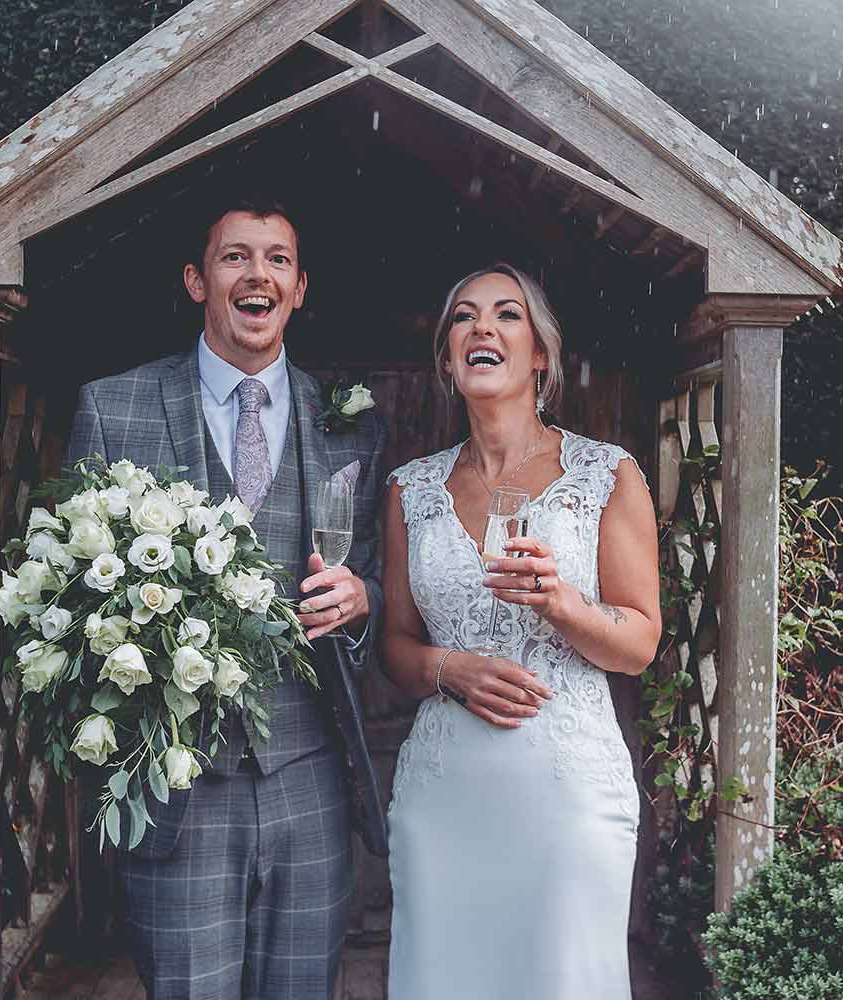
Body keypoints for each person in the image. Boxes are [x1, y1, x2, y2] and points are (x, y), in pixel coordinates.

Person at [63, 194, 388, 1000]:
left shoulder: (349, 424)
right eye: (236, 256)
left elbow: (378, 584)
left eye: (277, 259)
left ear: (300, 287)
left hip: (309, 774)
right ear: (197, 280)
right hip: (181, 786)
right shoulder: (114, 406)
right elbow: (72, 600)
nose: (258, 275)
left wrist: (363, 602)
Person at [380, 263, 662, 999]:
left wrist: (562, 604)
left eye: (507, 315)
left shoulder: (608, 476)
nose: (482, 328)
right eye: (464, 318)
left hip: (568, 799)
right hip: (444, 801)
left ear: (540, 354)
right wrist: (451, 670)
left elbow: (639, 643)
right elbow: (396, 650)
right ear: (447, 359)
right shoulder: (410, 489)